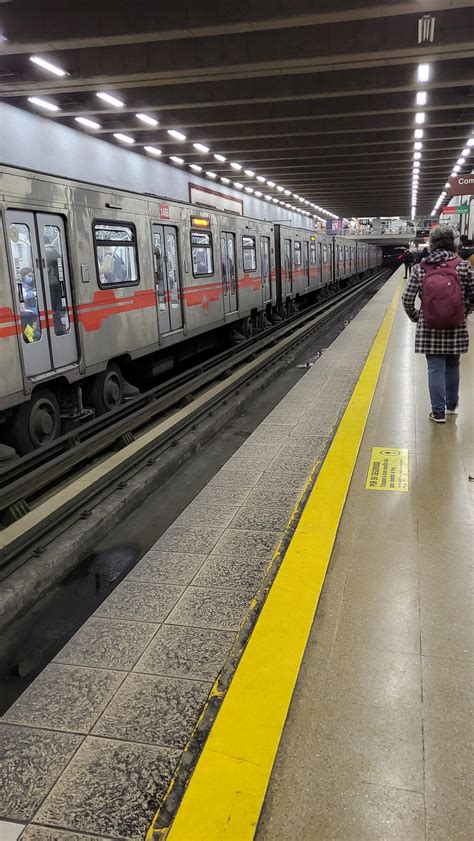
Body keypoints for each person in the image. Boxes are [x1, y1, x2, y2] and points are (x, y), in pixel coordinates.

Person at [402, 225, 474, 423]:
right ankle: (451, 405)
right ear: (453, 244)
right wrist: (464, 312)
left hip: (430, 327)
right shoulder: (462, 266)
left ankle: (438, 412)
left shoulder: (420, 268)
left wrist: (417, 316)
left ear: (431, 244)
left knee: (435, 368)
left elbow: (407, 299)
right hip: (456, 326)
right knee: (453, 365)